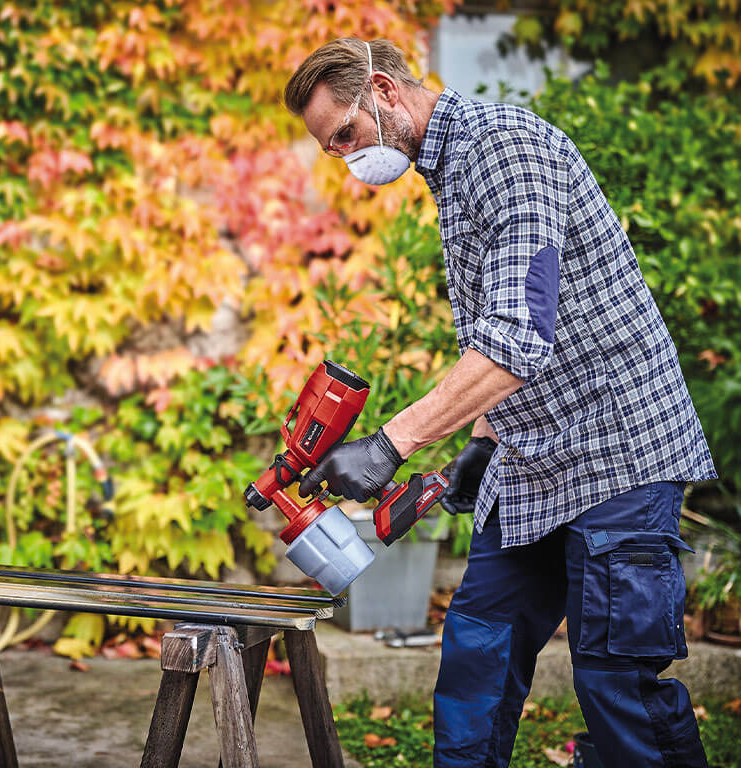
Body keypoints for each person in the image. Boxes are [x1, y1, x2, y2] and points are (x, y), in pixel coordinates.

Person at [285, 37, 717, 767]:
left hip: (617, 453)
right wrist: (484, 437)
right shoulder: (451, 171)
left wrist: (391, 443)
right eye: (332, 149)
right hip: (535, 461)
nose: (347, 159)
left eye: (346, 137)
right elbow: (500, 323)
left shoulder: (506, 149)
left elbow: (518, 337)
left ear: (385, 91)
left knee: (619, 685)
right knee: (477, 656)